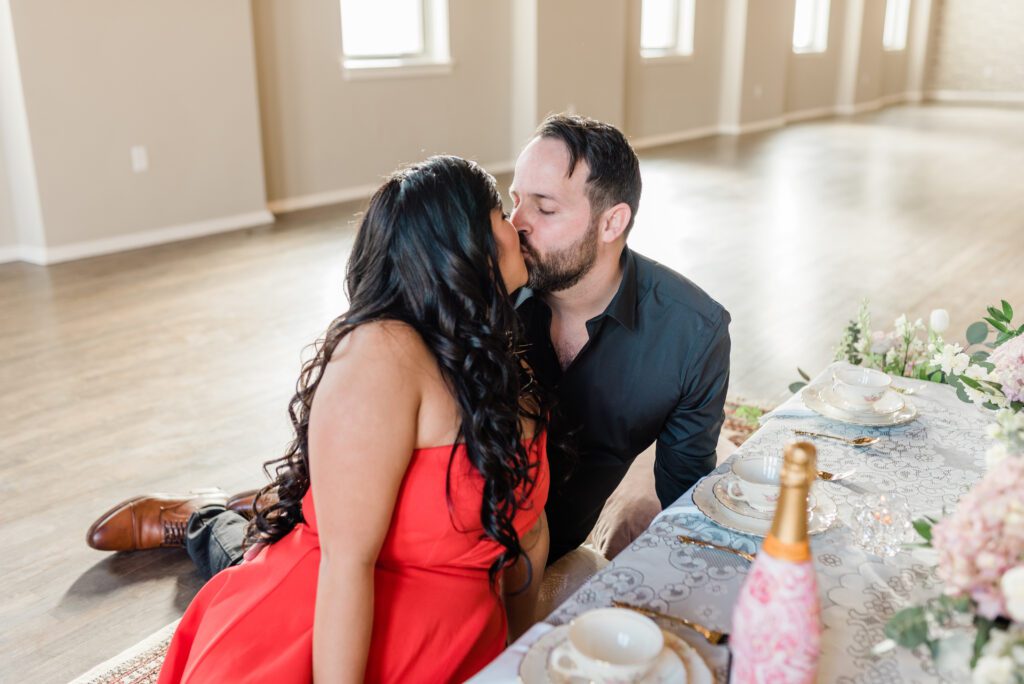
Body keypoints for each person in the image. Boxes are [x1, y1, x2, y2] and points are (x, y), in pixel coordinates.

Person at [88, 115, 730, 581]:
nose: (516, 224)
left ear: (612, 222)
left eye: (545, 207)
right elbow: (373, 406)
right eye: (514, 200)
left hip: (527, 542)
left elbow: (686, 504)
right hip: (422, 521)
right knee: (292, 570)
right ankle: (206, 517)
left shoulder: (693, 336)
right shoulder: (488, 282)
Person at [154, 156, 551, 683]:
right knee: (241, 552)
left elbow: (528, 534)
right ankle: (202, 516)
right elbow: (345, 568)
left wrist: (521, 662)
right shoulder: (382, 354)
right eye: (503, 210)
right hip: (323, 637)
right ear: (462, 240)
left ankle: (248, 506)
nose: (518, 223)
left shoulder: (502, 359)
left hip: (454, 642)